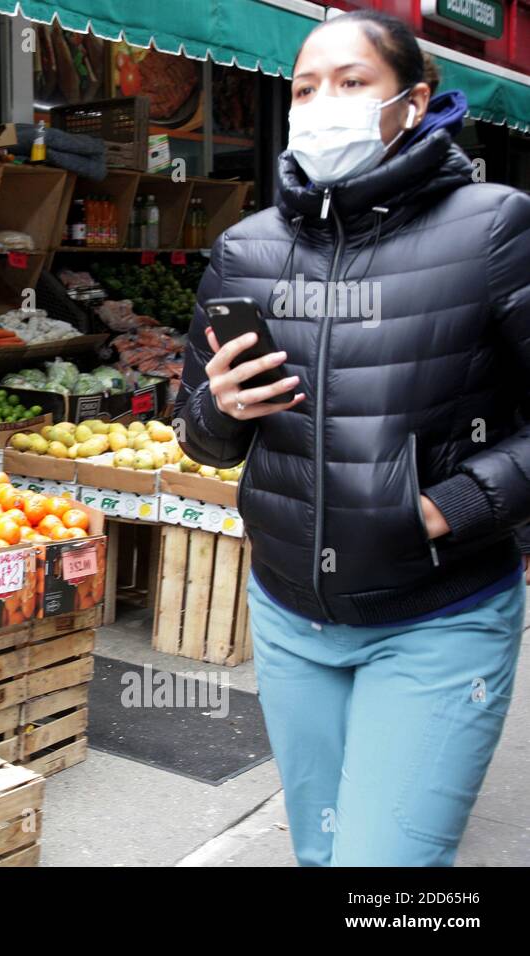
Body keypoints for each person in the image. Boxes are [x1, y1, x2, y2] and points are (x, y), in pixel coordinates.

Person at [174, 9, 529, 867]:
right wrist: (219, 407)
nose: (320, 103)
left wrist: (457, 504)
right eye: (304, 88)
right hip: (289, 614)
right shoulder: (246, 248)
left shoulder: (492, 228)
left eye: (350, 82)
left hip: (438, 619)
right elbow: (198, 436)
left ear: (413, 102)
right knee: (324, 859)